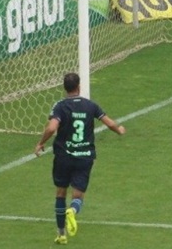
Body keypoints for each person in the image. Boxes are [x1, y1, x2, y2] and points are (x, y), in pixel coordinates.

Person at [34, 72, 126, 245]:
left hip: (63, 157)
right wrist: (119, 130)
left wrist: (40, 143)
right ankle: (73, 211)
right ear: (79, 86)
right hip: (84, 157)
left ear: (64, 87)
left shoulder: (60, 106)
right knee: (78, 196)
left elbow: (52, 128)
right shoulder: (90, 105)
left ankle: (61, 234)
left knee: (60, 193)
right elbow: (109, 123)